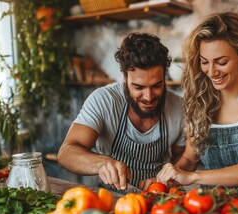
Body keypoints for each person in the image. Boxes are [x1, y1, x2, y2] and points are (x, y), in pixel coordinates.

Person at [156, 12, 238, 202]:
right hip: (213, 210)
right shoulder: (198, 97)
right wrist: (167, 178)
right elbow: (190, 158)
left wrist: (193, 177)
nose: (211, 71)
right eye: (204, 61)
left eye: (221, 62)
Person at [58, 33, 185, 193]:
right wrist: (101, 163)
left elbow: (182, 159)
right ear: (124, 76)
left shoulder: (179, 107)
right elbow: (66, 153)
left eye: (157, 86)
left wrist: (169, 179)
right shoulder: (103, 100)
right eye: (138, 87)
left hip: (158, 195)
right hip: (112, 198)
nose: (148, 96)